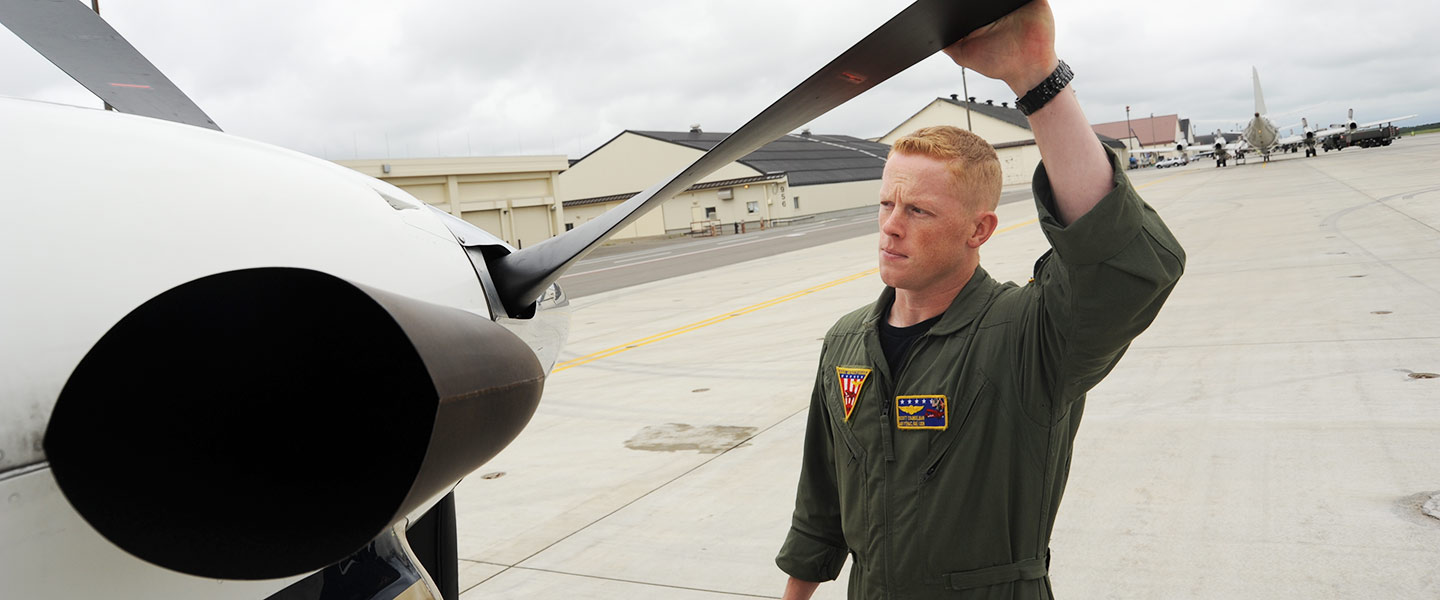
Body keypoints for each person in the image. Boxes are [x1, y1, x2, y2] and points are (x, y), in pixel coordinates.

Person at [774, 1, 1185, 598]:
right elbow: (821, 506)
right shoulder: (845, 342)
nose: (890, 226)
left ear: (979, 230)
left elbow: (1121, 266)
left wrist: (1036, 77)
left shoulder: (1029, 338)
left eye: (918, 210)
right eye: (887, 204)